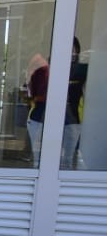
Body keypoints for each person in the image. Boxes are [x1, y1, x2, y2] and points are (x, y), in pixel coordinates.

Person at [28, 37, 88, 169]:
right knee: (40, 157)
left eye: (72, 50)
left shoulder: (82, 70)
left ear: (77, 51)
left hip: (72, 119)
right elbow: (32, 91)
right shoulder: (44, 69)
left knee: (68, 158)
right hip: (41, 116)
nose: (68, 53)